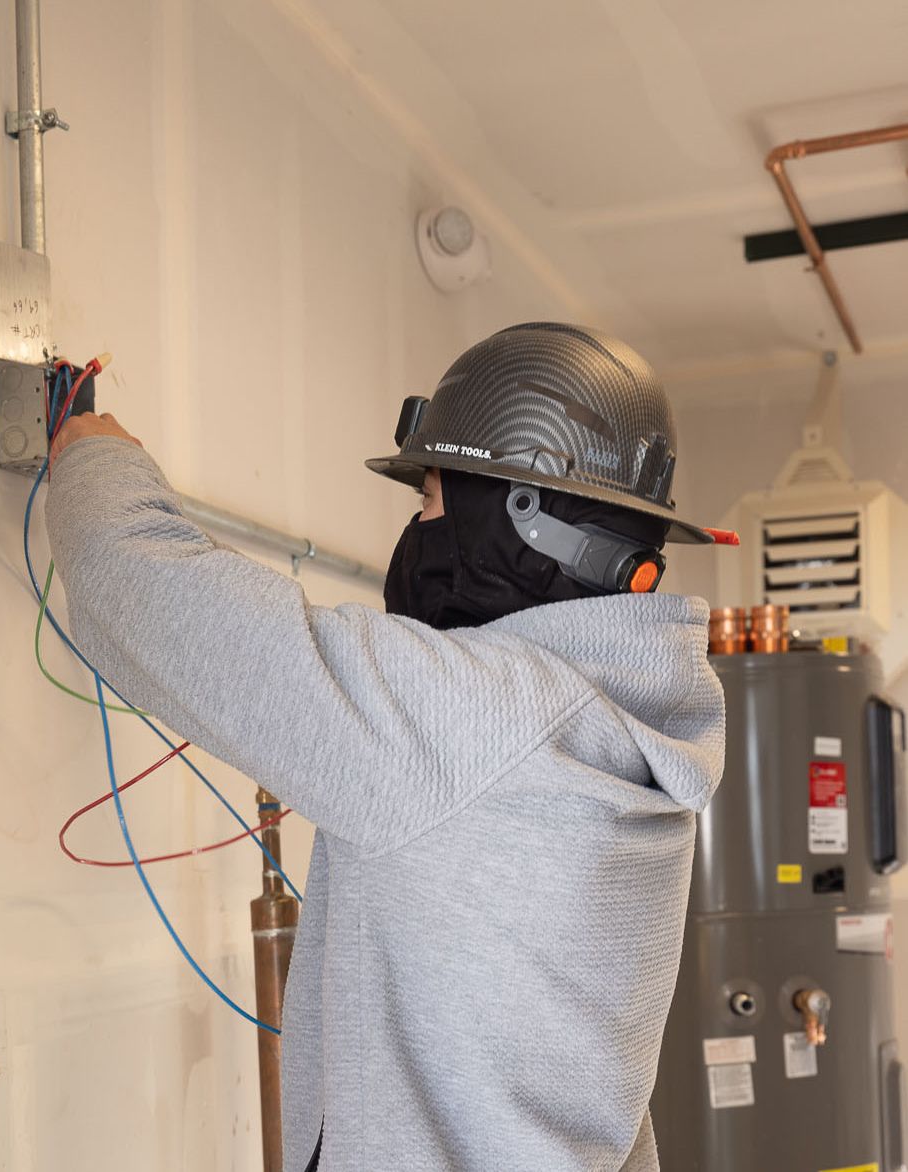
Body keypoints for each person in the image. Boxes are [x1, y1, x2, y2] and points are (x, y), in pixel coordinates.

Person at [46, 322, 727, 1172]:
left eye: (429, 503)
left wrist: (91, 452)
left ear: (517, 520)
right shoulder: (640, 733)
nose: (416, 533)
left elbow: (137, 584)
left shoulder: (469, 717)